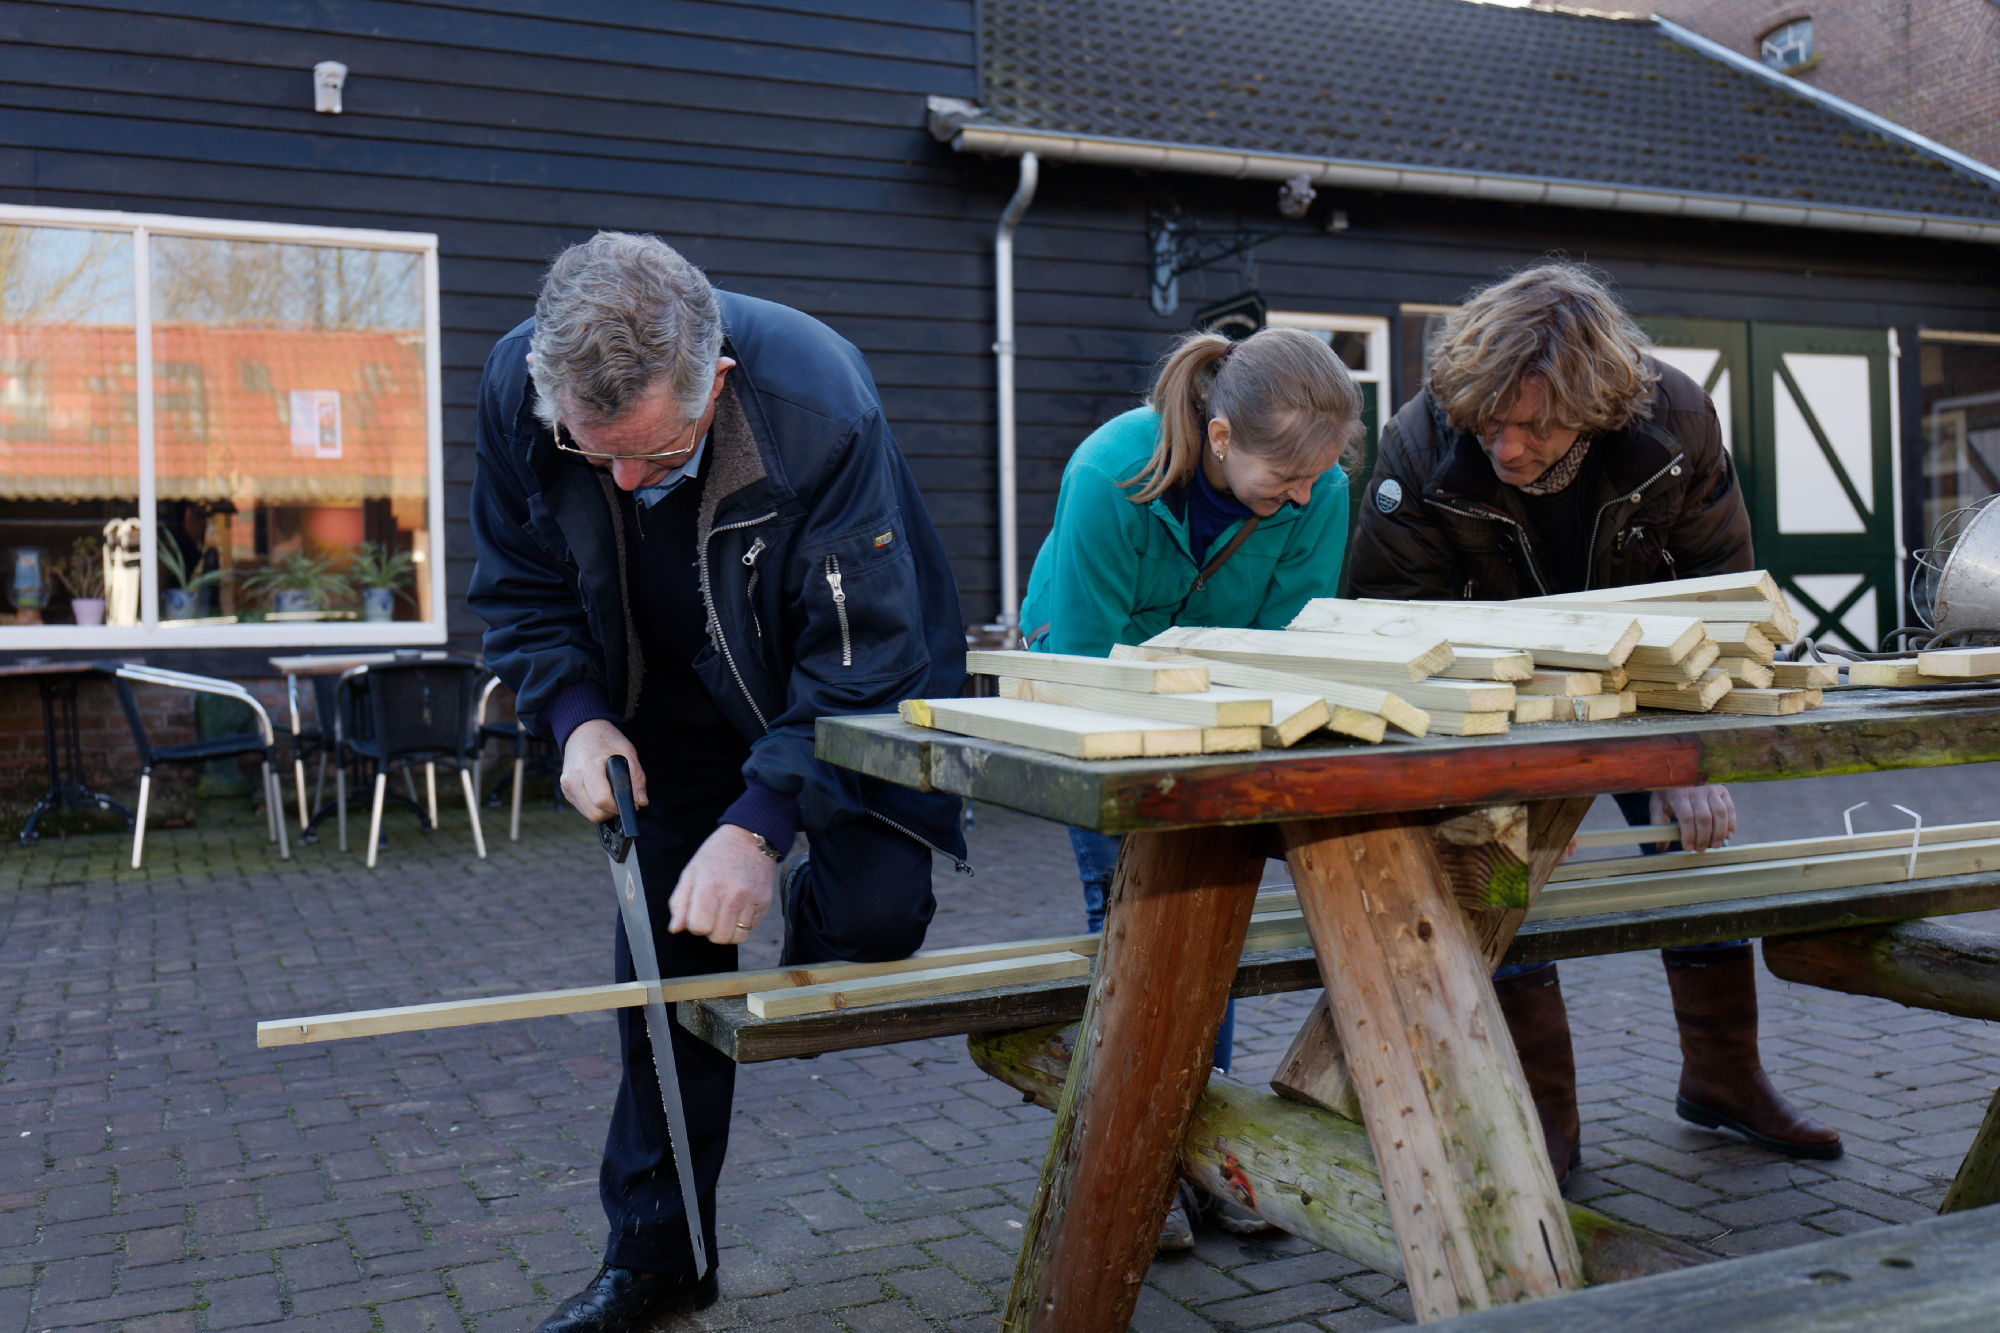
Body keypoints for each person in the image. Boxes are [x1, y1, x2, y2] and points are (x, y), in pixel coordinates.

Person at [469, 232, 967, 1331]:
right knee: (664, 973)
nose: (631, 483)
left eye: (657, 449)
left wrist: (762, 824)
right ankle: (658, 1253)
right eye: (597, 456)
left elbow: (863, 656)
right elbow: (517, 586)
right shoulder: (518, 387)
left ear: (717, 381)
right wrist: (574, 716)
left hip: (824, 686)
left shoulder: (820, 402)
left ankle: (784, 871)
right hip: (656, 710)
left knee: (875, 918)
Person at [1347, 261, 1841, 1187]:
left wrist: (1693, 755)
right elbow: (1388, 625)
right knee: (1500, 883)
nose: (1506, 445)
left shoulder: (1677, 422)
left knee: (1697, 860)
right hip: (1501, 710)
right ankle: (1547, 1118)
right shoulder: (1418, 442)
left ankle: (1723, 1079)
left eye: (1535, 424)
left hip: (1643, 687)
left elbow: (1722, 602)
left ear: (1596, 403)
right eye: (1489, 419)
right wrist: (1511, 785)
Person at [1019, 325, 1364, 1246]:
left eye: (1314, 480)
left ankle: (1197, 1147)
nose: (1301, 497)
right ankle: (1141, 1159)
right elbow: (1090, 663)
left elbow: (1290, 644)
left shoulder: (1319, 483)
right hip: (1090, 684)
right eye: (1281, 481)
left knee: (1214, 906)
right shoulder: (1108, 473)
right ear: (1219, 440)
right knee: (1128, 905)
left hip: (1218, 698)